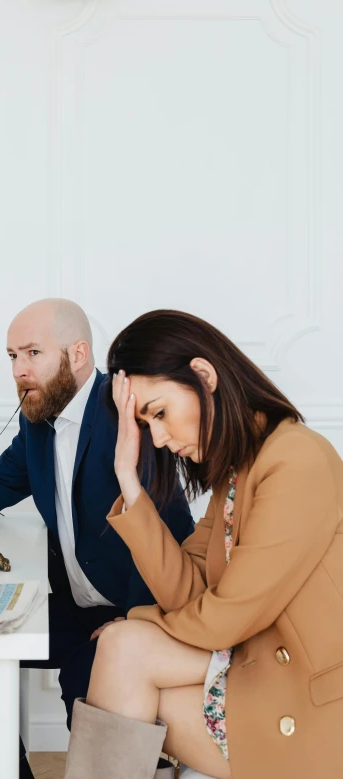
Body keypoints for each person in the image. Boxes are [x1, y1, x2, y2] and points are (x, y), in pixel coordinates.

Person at [63, 309, 343, 779]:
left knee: (123, 648)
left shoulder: (297, 460)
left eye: (159, 413)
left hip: (310, 706)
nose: (159, 437)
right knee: (124, 661)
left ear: (204, 376)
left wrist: (138, 619)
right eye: (145, 424)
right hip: (260, 675)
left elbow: (224, 620)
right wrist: (127, 479)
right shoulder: (238, 471)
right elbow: (188, 591)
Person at [0, 299, 194, 778]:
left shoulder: (129, 412)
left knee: (86, 681)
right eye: (12, 357)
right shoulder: (37, 422)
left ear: (79, 354)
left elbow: (167, 528)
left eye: (32, 353)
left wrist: (135, 625)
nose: (19, 370)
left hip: (141, 612)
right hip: (73, 606)